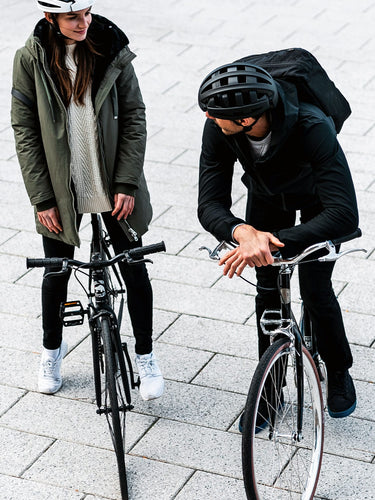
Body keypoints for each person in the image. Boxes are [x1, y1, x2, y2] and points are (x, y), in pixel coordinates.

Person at [11, 0, 164, 401]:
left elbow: (135, 115)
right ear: (51, 19)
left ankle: (146, 356)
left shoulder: (111, 50)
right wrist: (42, 196)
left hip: (113, 182)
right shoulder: (31, 59)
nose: (83, 23)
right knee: (56, 271)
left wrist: (128, 183)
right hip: (62, 188)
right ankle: (51, 351)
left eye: (87, 13)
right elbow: (24, 128)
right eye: (72, 17)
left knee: (134, 267)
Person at [197, 61, 358, 428]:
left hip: (320, 201)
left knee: (316, 289)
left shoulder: (312, 126)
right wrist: (242, 233)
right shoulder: (218, 128)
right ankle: (269, 391)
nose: (208, 116)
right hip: (267, 195)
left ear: (247, 119)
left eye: (216, 113)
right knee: (268, 292)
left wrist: (273, 242)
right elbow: (209, 203)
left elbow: (345, 214)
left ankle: (338, 369)